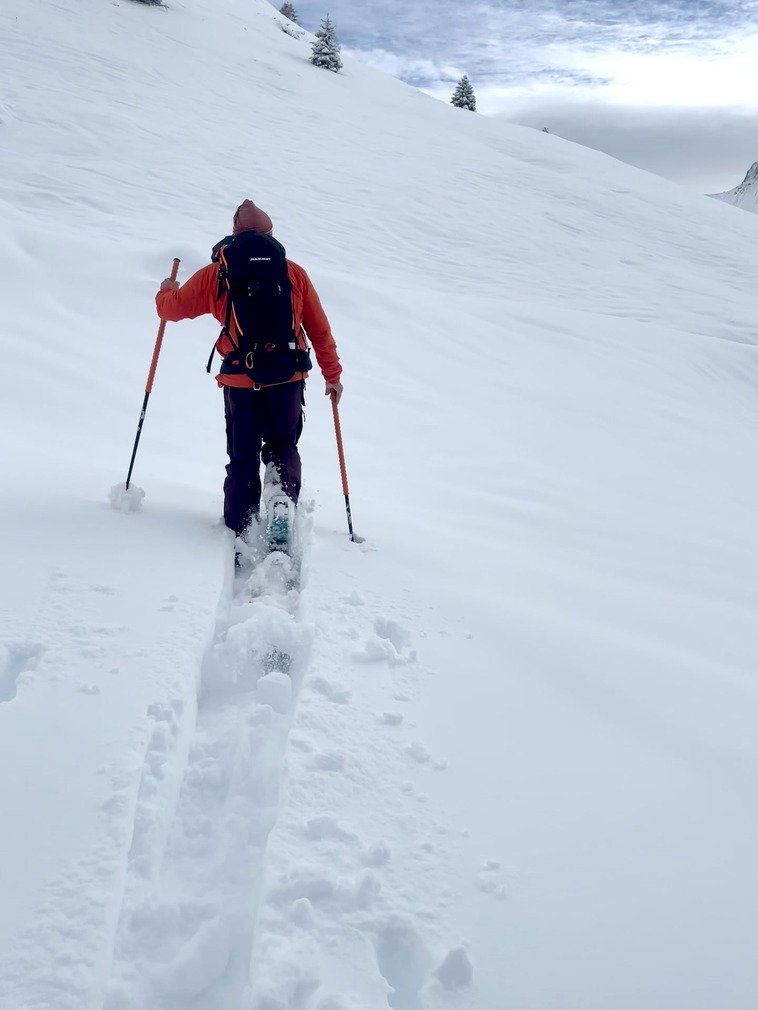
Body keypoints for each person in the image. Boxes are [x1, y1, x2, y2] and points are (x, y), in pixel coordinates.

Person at [155, 199, 343, 543]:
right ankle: (282, 498)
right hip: (288, 378)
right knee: (283, 444)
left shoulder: (218, 273)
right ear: (271, 234)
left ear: (234, 232)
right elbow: (319, 329)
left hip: (240, 380)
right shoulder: (293, 272)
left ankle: (241, 525)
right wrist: (332, 375)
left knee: (242, 454)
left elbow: (171, 311)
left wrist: (167, 290)